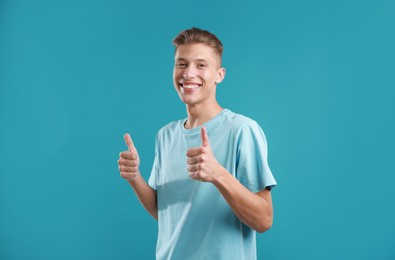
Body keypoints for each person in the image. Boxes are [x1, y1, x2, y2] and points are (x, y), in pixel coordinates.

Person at [117, 27, 277, 260]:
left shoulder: (242, 130)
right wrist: (135, 178)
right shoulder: (165, 135)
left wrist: (217, 174)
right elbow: (169, 215)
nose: (188, 73)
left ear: (219, 75)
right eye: (181, 64)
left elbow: (264, 220)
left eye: (201, 65)